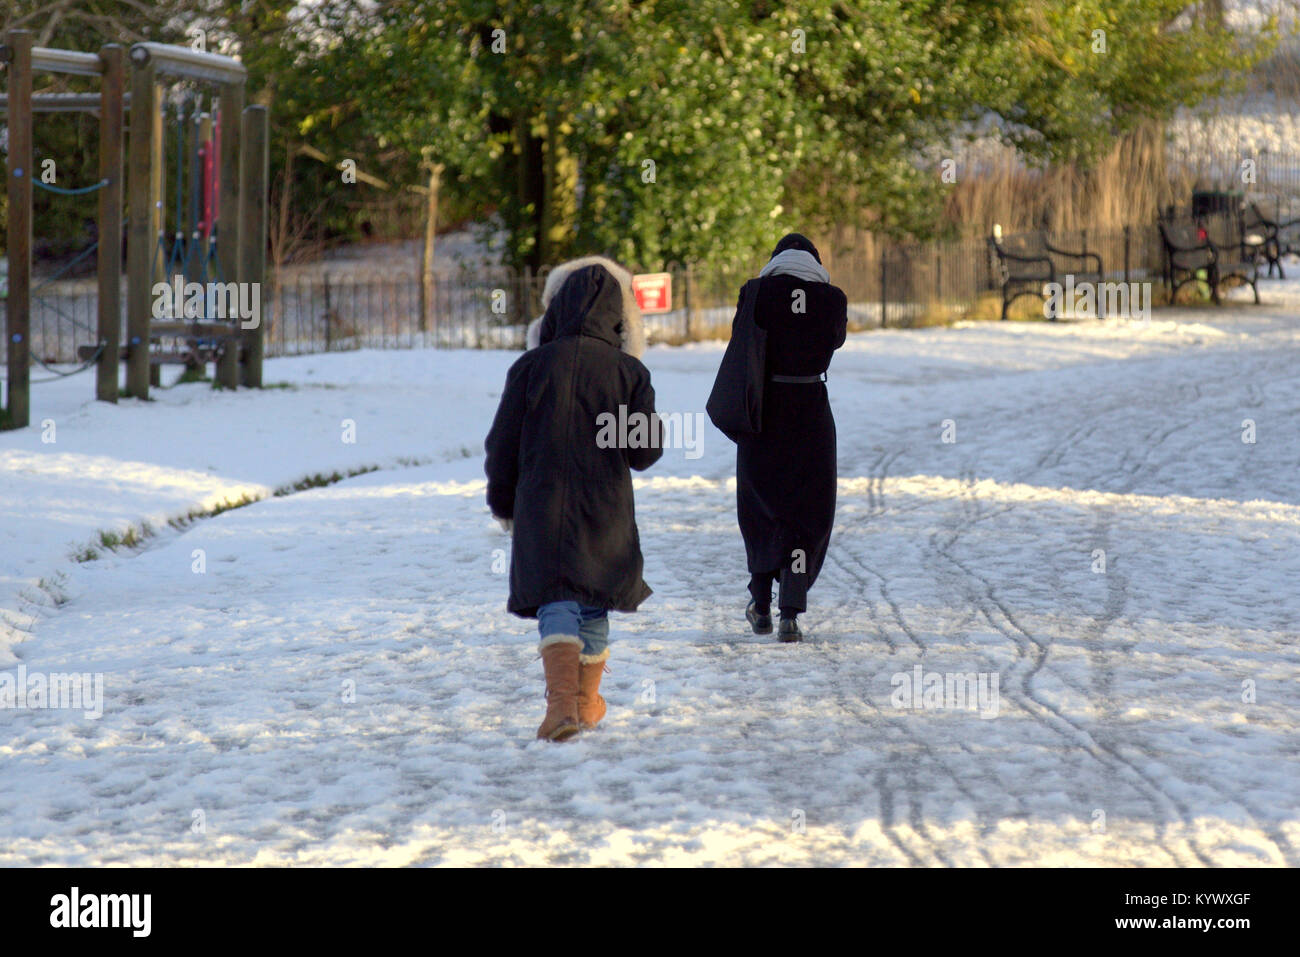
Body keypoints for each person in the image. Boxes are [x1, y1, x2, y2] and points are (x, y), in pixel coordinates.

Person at [484, 261, 662, 741]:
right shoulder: (629, 372)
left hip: (541, 503)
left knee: (556, 597)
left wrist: (503, 503)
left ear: (555, 311)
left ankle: (561, 707)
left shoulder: (529, 368)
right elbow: (645, 453)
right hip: (604, 507)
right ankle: (584, 704)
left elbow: (502, 445)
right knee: (594, 601)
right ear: (618, 319)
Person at [731, 233, 847, 641]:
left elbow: (740, 342)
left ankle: (760, 604)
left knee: (761, 508)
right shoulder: (833, 299)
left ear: (774, 259)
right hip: (812, 413)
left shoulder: (755, 292)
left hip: (763, 413)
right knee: (807, 512)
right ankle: (790, 613)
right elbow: (835, 340)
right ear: (814, 261)